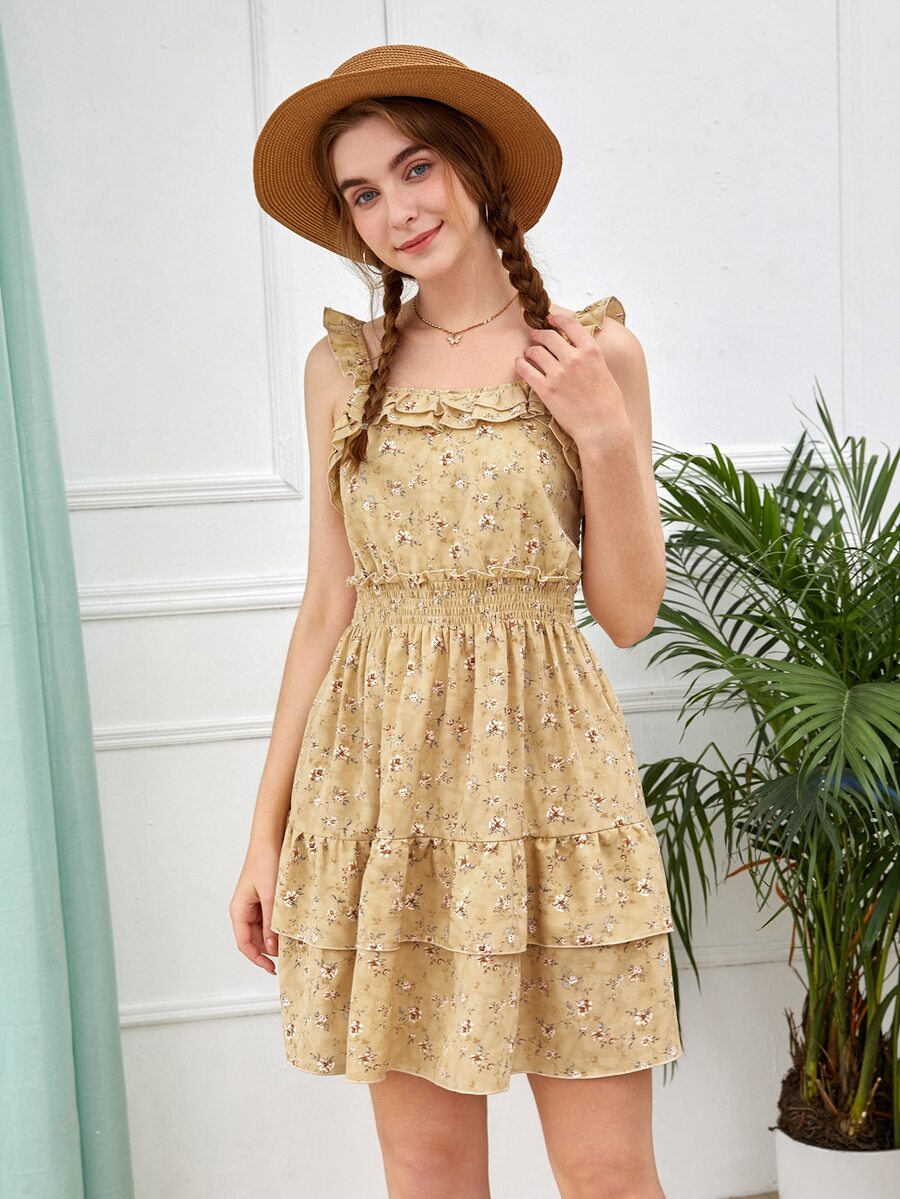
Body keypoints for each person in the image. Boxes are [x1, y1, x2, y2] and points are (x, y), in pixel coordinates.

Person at [231, 43, 683, 1199]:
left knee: (609, 1171)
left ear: (476, 167)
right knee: (427, 1166)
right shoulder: (343, 369)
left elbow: (629, 611)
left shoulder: (592, 351)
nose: (396, 210)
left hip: (554, 785)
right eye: (362, 193)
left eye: (415, 167)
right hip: (387, 794)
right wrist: (264, 834)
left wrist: (601, 428)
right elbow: (327, 604)